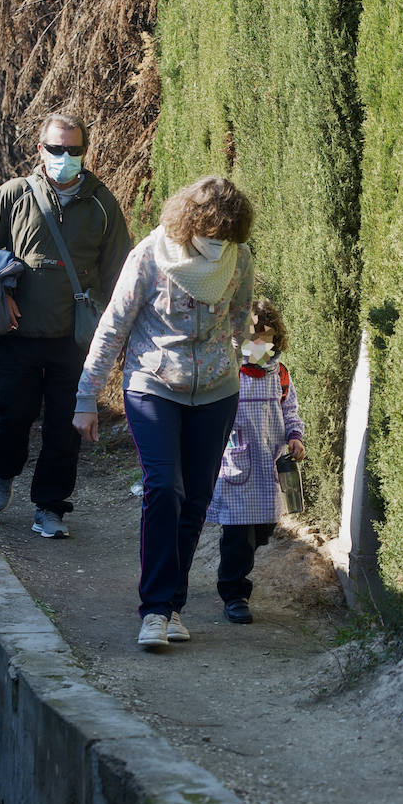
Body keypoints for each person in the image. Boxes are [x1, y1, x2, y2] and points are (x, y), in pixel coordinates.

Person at [72, 176, 255, 649]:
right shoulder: (151, 257)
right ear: (190, 225)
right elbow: (113, 327)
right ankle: (153, 611)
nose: (218, 246)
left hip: (216, 391)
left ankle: (174, 606)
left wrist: (239, 365)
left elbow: (239, 316)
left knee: (196, 497)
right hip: (153, 384)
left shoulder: (239, 258)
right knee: (164, 488)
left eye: (226, 238)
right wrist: (86, 397)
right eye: (210, 236)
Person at [0, 114, 131, 538]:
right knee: (11, 418)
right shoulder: (14, 195)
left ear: (84, 152)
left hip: (74, 342)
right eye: (56, 149)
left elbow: (120, 275)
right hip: (17, 337)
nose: (64, 157)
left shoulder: (101, 204)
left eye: (73, 150)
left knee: (65, 429)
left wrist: (115, 330)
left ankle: (50, 508)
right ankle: (3, 471)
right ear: (40, 149)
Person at [205, 297, 306, 625]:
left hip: (268, 466)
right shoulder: (229, 372)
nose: (260, 345)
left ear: (277, 339)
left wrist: (295, 436)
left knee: (263, 530)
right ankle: (234, 594)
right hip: (236, 464)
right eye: (253, 339)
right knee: (238, 535)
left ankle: (237, 573)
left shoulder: (281, 375)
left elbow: (289, 410)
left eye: (267, 339)